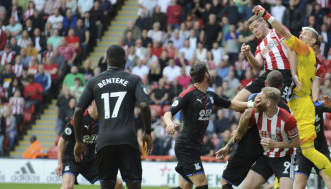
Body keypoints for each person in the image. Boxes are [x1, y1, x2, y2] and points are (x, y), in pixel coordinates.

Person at [252, 4, 331, 188]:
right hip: (294, 104)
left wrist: (265, 15)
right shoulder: (301, 52)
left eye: (305, 34)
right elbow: (289, 47)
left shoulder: (307, 51)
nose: (301, 35)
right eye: (301, 33)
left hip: (302, 103)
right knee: (291, 150)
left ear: (312, 42)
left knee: (309, 150)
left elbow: (285, 34)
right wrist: (293, 73)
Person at [163, 61, 254, 189]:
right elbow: (168, 113)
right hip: (186, 147)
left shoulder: (210, 96)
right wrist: (169, 123)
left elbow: (232, 104)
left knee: (185, 187)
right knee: (202, 185)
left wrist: (252, 105)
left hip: (194, 147)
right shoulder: (187, 94)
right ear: (206, 75)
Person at [73, 45, 153, 189]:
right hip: (127, 140)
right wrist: (148, 132)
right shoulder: (134, 79)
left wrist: (79, 141)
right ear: (124, 60)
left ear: (106, 60)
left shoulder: (93, 81)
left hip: (104, 141)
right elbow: (145, 106)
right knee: (134, 185)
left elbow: (78, 111)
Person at [215, 70, 290, 189]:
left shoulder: (257, 98)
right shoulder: (286, 110)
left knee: (225, 181)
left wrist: (229, 144)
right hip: (273, 152)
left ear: (265, 83)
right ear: (282, 86)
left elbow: (246, 116)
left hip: (251, 144)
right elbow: (292, 139)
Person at [233, 87, 300, 189]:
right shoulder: (256, 112)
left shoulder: (287, 120)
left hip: (285, 157)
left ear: (268, 103)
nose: (257, 98)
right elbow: (242, 118)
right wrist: (239, 129)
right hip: (266, 156)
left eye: (261, 97)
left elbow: (297, 142)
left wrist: (275, 144)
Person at [55, 101, 123, 189]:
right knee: (67, 186)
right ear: (94, 102)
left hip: (91, 160)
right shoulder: (78, 118)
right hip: (72, 159)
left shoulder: (105, 120)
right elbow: (62, 142)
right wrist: (60, 163)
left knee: (118, 184)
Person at [233, 15, 293, 104]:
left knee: (277, 105)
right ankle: (254, 107)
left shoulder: (277, 31)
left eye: (256, 26)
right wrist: (248, 54)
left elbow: (290, 49)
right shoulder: (259, 47)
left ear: (265, 23)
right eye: (252, 30)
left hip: (284, 73)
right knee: (235, 101)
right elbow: (257, 65)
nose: (255, 31)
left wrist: (294, 73)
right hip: (268, 76)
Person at [294, 96, 331, 189]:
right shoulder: (294, 111)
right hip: (303, 152)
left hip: (321, 150)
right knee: (298, 187)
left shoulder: (318, 106)